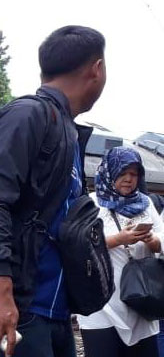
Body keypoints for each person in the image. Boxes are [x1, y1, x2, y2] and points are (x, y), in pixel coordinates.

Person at [0, 26, 107, 357]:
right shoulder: (28, 115)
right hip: (12, 308)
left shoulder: (66, 130)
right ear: (96, 69)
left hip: (49, 309)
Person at [77, 147, 162, 357]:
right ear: (109, 173)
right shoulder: (91, 203)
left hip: (142, 302)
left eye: (134, 174)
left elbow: (162, 238)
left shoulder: (146, 204)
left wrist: (154, 242)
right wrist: (118, 240)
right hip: (102, 307)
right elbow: (77, 245)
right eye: (122, 173)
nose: (128, 179)